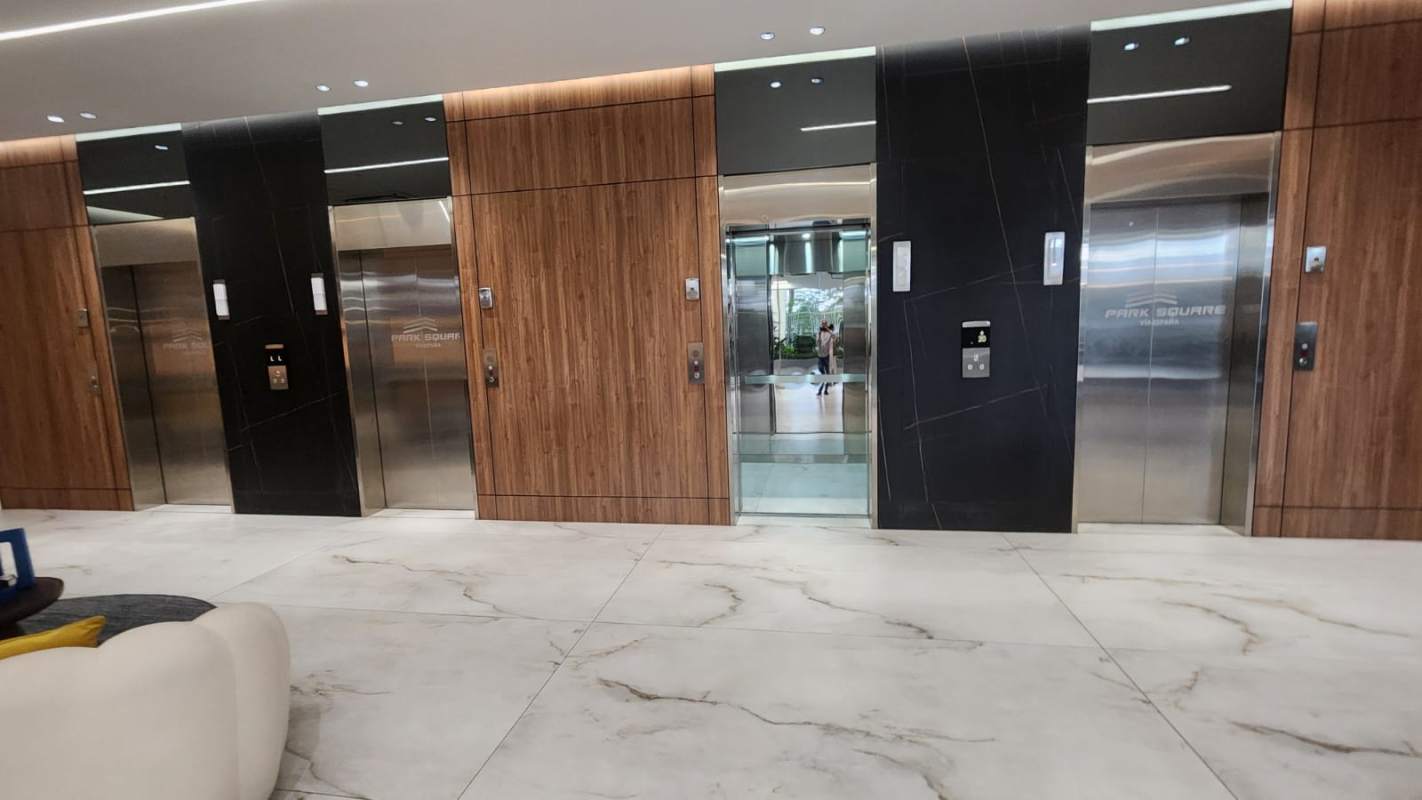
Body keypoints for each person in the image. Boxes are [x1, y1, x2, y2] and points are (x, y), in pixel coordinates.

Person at [816, 322, 837, 396]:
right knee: (823, 373)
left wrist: (827, 329)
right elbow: (818, 343)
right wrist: (818, 335)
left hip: (827, 356)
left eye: (825, 324)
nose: (823, 325)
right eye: (822, 324)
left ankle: (823, 390)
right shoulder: (819, 333)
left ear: (827, 325)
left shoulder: (829, 333)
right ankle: (822, 389)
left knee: (827, 374)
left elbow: (834, 336)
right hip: (820, 356)